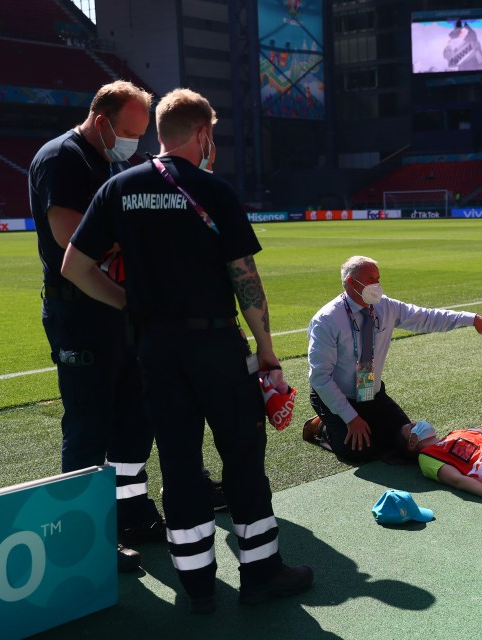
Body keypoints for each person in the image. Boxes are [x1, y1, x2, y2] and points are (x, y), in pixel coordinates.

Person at [61, 88, 312, 614]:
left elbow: (75, 267)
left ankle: (197, 586)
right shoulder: (212, 190)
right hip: (216, 344)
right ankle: (261, 572)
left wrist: (128, 302)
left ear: (159, 133)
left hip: (155, 347)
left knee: (178, 463)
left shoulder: (119, 189)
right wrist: (266, 349)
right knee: (242, 456)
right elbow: (246, 279)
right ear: (202, 135)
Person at [27, 80, 162, 572]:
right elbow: (71, 239)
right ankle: (85, 539)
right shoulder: (62, 159)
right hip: (81, 314)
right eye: (128, 132)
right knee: (88, 427)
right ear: (102, 120)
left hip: (120, 314)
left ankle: (130, 515)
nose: (134, 143)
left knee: (134, 420)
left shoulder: (112, 160)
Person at [308, 256, 482, 464]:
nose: (377, 285)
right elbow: (320, 377)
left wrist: (470, 318)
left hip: (371, 393)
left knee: (409, 442)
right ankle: (323, 427)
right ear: (351, 282)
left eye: (378, 278)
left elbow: (426, 317)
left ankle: (362, 422)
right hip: (336, 396)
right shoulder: (327, 320)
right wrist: (350, 417)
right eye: (371, 279)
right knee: (360, 452)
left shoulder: (385, 307)